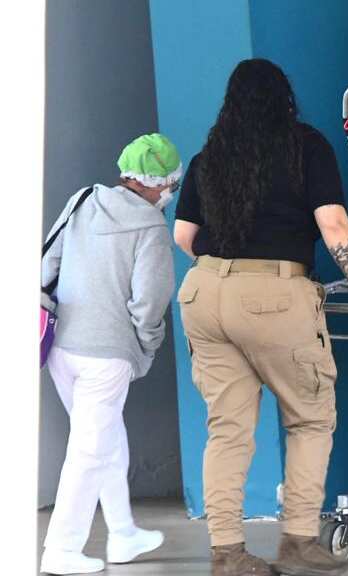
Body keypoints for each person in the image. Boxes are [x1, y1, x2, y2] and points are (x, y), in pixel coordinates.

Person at [172, 59, 348, 576]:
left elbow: (184, 237)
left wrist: (226, 268)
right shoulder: (305, 146)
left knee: (227, 429)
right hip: (275, 293)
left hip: (204, 294)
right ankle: (297, 540)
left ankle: (227, 552)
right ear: (284, 99)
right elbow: (333, 222)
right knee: (311, 417)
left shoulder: (210, 158)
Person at [39, 134, 180, 575]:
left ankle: (123, 533)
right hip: (108, 353)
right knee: (90, 451)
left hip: (63, 347)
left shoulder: (83, 200)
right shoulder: (151, 227)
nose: (170, 192)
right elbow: (150, 299)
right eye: (170, 183)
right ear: (156, 184)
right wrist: (147, 343)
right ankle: (61, 550)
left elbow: (47, 265)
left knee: (105, 438)